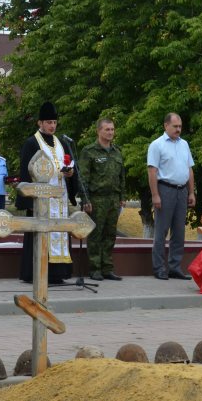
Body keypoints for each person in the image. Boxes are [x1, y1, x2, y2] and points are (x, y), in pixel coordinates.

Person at [15, 102, 79, 284]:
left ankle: (58, 273)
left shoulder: (62, 143)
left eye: (54, 122)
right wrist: (29, 200)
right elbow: (25, 172)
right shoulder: (31, 143)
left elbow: (70, 167)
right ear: (40, 123)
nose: (52, 125)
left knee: (59, 231)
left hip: (59, 198)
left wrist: (70, 174)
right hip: (40, 199)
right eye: (48, 122)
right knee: (40, 233)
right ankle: (34, 272)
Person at [147, 112, 195, 280]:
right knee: (161, 231)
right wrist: (155, 195)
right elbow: (152, 171)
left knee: (179, 232)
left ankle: (175, 267)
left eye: (180, 126)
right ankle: (159, 268)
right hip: (165, 189)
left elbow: (189, 169)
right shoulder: (156, 145)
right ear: (166, 126)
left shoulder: (184, 144)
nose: (178, 129)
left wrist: (191, 192)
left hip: (182, 190)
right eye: (175, 126)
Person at [78, 118, 126, 281]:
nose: (110, 132)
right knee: (96, 234)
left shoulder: (117, 152)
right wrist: (85, 200)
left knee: (110, 235)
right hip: (96, 199)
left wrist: (122, 197)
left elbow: (121, 177)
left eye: (112, 129)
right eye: (107, 129)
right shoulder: (89, 151)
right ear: (99, 131)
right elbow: (83, 177)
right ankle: (95, 268)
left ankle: (107, 268)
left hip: (113, 199)